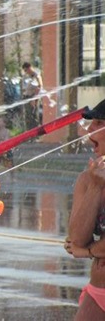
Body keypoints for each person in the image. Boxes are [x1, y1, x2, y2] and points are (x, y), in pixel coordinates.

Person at [64, 99, 105, 320]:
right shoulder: (87, 179)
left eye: (99, 123)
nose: (89, 129)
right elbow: (77, 239)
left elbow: (81, 248)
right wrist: (95, 187)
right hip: (98, 290)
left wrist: (88, 251)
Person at [21, 62, 43, 130]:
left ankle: (35, 131)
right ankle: (28, 131)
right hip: (27, 97)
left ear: (30, 68)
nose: (26, 72)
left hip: (33, 97)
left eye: (26, 70)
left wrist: (34, 98)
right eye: (25, 71)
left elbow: (40, 86)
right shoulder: (26, 76)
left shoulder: (36, 75)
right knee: (27, 116)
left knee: (33, 115)